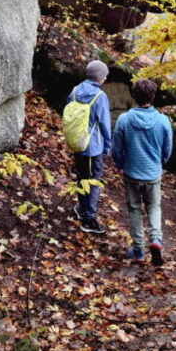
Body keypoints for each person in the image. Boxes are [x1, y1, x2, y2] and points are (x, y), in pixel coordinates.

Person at [111, 79, 172, 265]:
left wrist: (120, 164)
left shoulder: (124, 119)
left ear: (134, 96)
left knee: (134, 209)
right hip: (152, 174)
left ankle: (138, 250)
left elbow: (116, 148)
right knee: (154, 207)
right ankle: (155, 240)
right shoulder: (163, 121)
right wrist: (159, 163)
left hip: (131, 173)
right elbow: (167, 150)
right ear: (153, 96)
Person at [68, 60, 111, 234]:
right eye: (105, 75)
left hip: (77, 142)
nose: (105, 78)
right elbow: (105, 124)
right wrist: (107, 146)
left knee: (81, 176)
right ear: (100, 78)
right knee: (93, 181)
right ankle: (89, 219)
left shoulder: (75, 90)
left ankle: (81, 207)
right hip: (93, 147)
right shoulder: (100, 97)